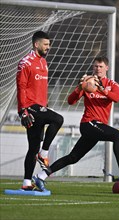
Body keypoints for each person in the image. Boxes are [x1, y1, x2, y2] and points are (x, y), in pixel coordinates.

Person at [32, 56, 119, 191]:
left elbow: (116, 98)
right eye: (95, 66)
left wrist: (102, 89)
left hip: (96, 127)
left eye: (101, 66)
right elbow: (70, 101)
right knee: (118, 136)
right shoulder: (87, 83)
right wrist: (79, 87)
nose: (98, 69)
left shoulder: (112, 84)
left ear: (107, 68)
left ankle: (40, 176)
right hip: (89, 123)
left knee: (73, 157)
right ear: (92, 67)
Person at [16, 31, 64, 191]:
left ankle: (26, 183)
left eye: (49, 44)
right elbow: (21, 87)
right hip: (30, 108)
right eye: (45, 44)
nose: (48, 47)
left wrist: (46, 104)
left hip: (40, 107)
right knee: (58, 119)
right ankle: (44, 154)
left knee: (32, 148)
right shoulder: (25, 63)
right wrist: (23, 111)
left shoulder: (43, 62)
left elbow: (41, 88)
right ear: (36, 44)